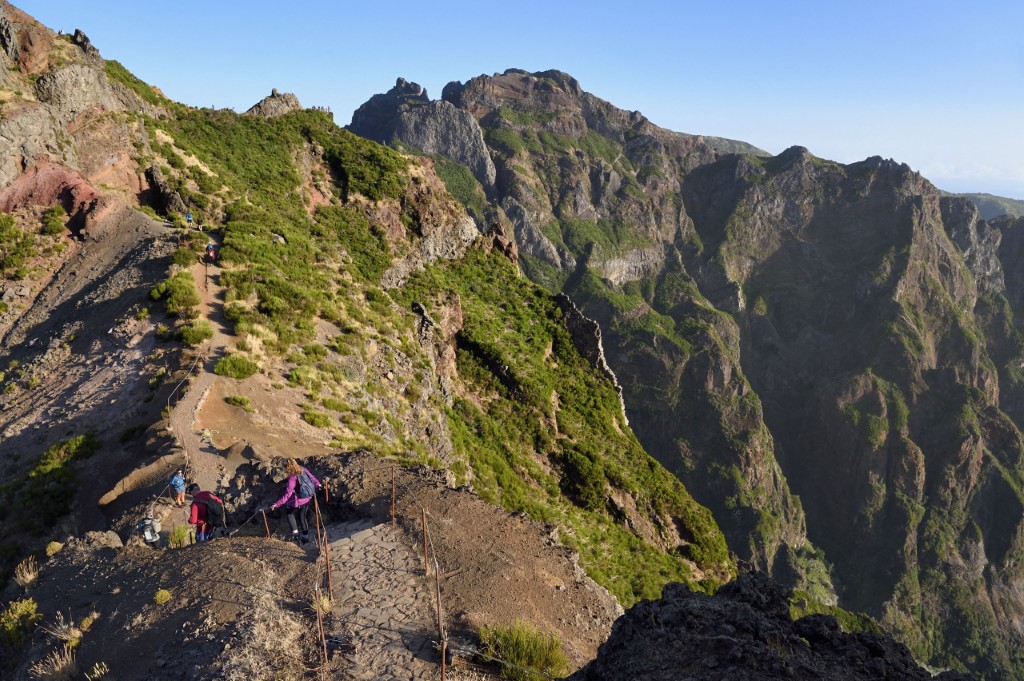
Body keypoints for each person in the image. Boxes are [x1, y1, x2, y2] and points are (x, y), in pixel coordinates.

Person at [268, 459, 321, 544]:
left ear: (287, 468)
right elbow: (312, 478)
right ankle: (306, 538)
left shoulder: (292, 478)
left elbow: (287, 495)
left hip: (298, 501)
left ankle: (296, 536)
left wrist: (276, 505)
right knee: (302, 517)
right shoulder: (303, 469)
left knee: (289, 513)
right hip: (308, 498)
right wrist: (318, 484)